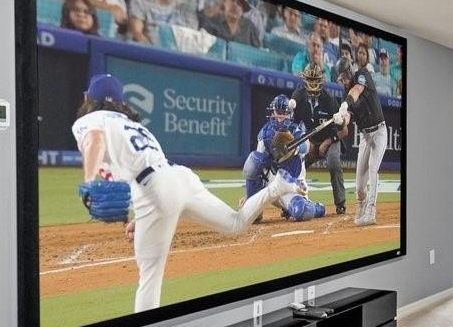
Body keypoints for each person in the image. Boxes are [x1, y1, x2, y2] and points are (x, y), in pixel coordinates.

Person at [71, 74, 300, 312]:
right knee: (236, 224)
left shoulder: (88, 120)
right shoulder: (134, 125)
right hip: (180, 177)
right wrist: (144, 218)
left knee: (149, 277)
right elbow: (151, 173)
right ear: (121, 103)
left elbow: (95, 139)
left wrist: (88, 181)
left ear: (87, 98)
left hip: (154, 190)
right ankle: (278, 186)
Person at [243, 95, 328, 223]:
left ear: (289, 114)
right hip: (271, 185)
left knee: (302, 212)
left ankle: (316, 208)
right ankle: (254, 209)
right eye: (278, 112)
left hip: (291, 185)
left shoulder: (296, 131)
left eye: (284, 113)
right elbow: (257, 165)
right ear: (272, 112)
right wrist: (251, 196)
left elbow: (306, 147)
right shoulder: (265, 132)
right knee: (254, 161)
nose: (281, 116)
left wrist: (294, 148)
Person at [341, 59, 388, 226]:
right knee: (359, 186)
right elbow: (347, 119)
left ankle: (371, 211)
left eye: (344, 77)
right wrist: (341, 119)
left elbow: (357, 89)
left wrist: (345, 103)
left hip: (379, 132)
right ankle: (362, 203)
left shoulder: (362, 74)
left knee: (373, 168)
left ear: (349, 73)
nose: (343, 81)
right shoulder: (345, 95)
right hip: (365, 137)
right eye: (341, 79)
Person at [294, 64, 346, 214]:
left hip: (331, 139)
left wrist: (327, 142)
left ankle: (340, 203)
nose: (312, 83)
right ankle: (290, 202)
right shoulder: (298, 97)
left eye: (315, 79)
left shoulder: (330, 100)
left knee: (333, 162)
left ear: (321, 80)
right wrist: (306, 142)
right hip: (311, 140)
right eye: (309, 79)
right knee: (295, 164)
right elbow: (293, 125)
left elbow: (344, 131)